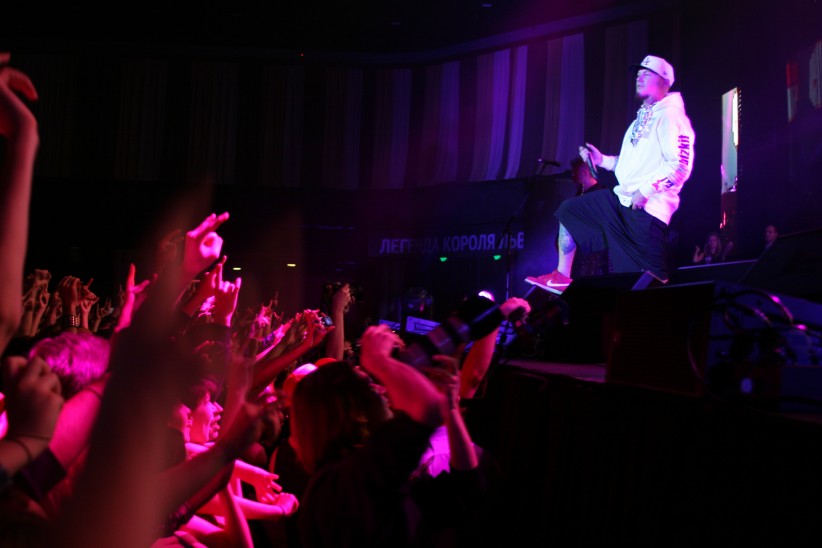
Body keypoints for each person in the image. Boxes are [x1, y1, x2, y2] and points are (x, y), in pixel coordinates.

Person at [525, 55, 695, 294]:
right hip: (621, 201)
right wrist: (601, 160)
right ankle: (562, 276)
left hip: (646, 212)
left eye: (647, 73)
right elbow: (630, 166)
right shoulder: (642, 118)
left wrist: (645, 191)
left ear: (664, 81)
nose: (639, 77)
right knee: (569, 210)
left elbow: (680, 167)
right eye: (638, 73)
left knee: (649, 286)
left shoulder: (671, 117)